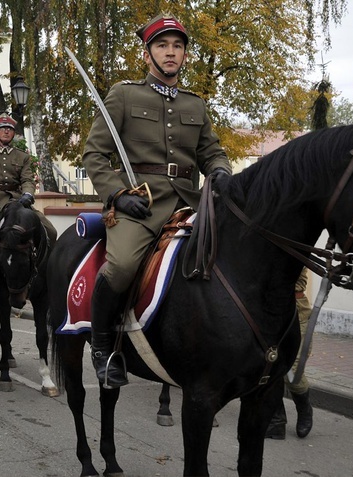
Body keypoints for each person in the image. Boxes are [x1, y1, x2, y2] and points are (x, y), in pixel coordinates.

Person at [82, 13, 232, 388]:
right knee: (120, 267)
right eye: (162, 45)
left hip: (188, 203)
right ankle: (102, 347)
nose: (170, 52)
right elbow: (95, 155)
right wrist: (117, 194)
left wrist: (221, 172)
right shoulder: (124, 94)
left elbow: (211, 152)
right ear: (147, 54)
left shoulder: (196, 104)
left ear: (184, 55)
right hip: (140, 206)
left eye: (177, 46)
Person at [0, 113, 57, 237]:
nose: (6, 131)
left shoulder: (23, 156)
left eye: (9, 129)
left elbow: (27, 180)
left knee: (50, 231)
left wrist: (27, 194)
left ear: (13, 133)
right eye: (2, 129)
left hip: (17, 201)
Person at [266, 267, 315, 439]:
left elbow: (298, 281)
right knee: (269, 368)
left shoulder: (291, 246)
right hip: (268, 312)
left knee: (292, 372)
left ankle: (305, 410)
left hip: (296, 312)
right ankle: (276, 422)